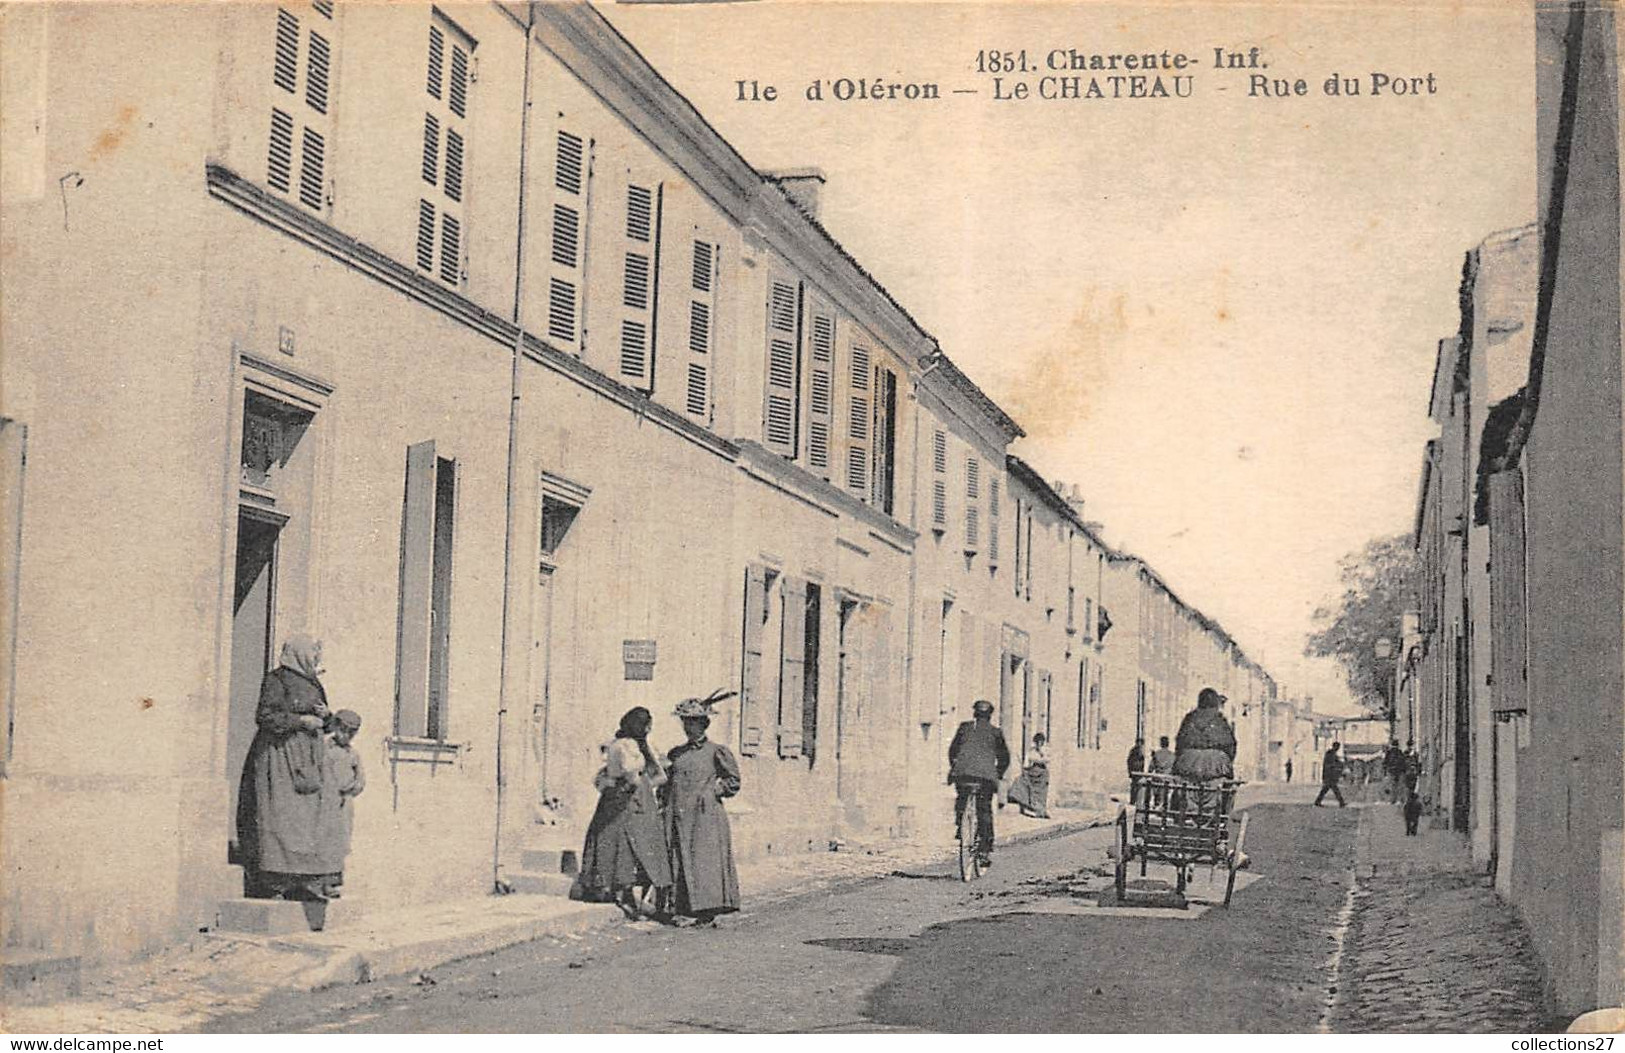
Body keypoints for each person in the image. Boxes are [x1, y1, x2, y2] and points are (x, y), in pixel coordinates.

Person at [235, 633, 333, 901]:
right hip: (279, 759)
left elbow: (326, 722)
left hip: (307, 761)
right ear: (299, 653)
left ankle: (300, 882)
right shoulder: (276, 680)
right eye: (314, 654)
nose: (317, 659)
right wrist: (301, 721)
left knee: (305, 821)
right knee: (279, 817)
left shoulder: (314, 683)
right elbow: (265, 716)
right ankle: (272, 881)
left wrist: (326, 718)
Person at [579, 707, 672, 920]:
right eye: (646, 725)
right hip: (624, 801)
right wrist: (643, 784)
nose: (648, 729)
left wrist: (644, 784)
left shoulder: (640, 746)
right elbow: (631, 776)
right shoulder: (622, 747)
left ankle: (635, 895)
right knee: (624, 845)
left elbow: (659, 774)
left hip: (634, 798)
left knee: (635, 844)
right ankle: (625, 894)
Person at [663, 694, 741, 927]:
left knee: (703, 862)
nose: (689, 727)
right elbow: (666, 781)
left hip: (705, 816)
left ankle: (707, 910)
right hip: (678, 814)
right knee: (679, 858)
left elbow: (733, 781)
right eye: (685, 722)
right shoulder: (675, 754)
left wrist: (714, 792)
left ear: (704, 724)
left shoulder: (717, 751)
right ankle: (683, 908)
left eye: (694, 722)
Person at [948, 700, 1011, 869]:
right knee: (984, 809)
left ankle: (960, 825)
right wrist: (997, 774)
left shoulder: (964, 728)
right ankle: (984, 848)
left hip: (962, 774)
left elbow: (952, 751)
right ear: (990, 715)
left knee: (962, 797)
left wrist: (955, 767)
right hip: (985, 778)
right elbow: (1005, 758)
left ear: (974, 713)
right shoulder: (995, 733)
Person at [314, 709, 365, 899]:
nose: (347, 735)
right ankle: (318, 882)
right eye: (343, 730)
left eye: (352, 732)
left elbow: (360, 779)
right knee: (322, 840)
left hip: (345, 804)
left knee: (340, 843)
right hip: (326, 802)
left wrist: (352, 789)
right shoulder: (325, 749)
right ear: (336, 727)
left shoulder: (353, 754)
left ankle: (332, 882)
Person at [1172, 688, 1237, 780]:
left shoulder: (1190, 718)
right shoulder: (1220, 720)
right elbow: (1230, 745)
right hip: (1216, 765)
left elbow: (1180, 742)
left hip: (1188, 763)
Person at [1005, 732, 1051, 819]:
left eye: (1041, 742)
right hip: (1032, 772)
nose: (1039, 744)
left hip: (1042, 775)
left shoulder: (1045, 751)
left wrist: (1041, 754)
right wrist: (1026, 768)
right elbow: (1027, 762)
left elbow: (1047, 760)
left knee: (1041, 794)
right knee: (1021, 782)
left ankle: (1041, 811)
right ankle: (1028, 807)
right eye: (1037, 742)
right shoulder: (1031, 751)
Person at [1314, 741, 1347, 807]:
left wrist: (1341, 763)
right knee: (1334, 789)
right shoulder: (1330, 753)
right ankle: (1341, 803)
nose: (1338, 748)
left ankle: (1317, 801)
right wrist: (1338, 765)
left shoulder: (1333, 754)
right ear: (1334, 746)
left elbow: (1336, 762)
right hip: (1329, 775)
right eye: (1337, 747)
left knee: (1326, 790)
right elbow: (1330, 764)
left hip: (1330, 775)